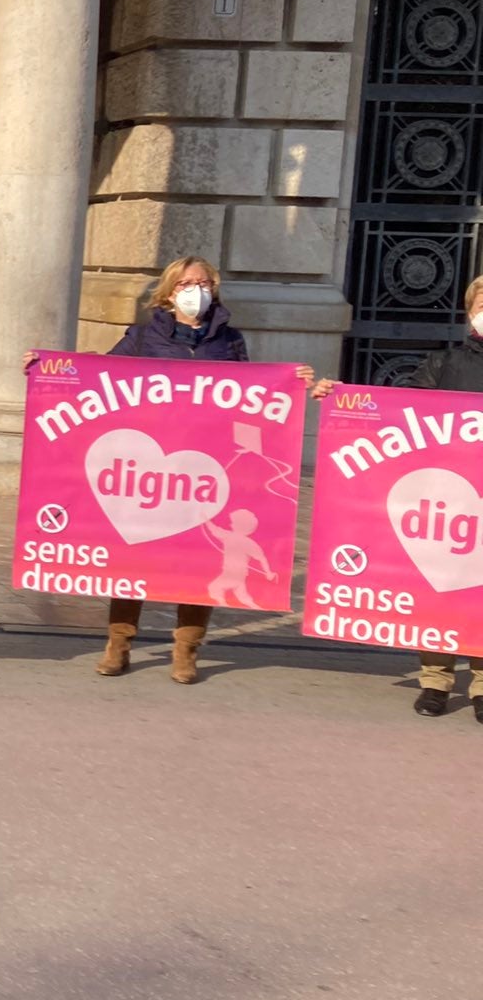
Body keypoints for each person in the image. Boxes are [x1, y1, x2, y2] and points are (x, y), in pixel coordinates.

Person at [36, 255, 325, 684]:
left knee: (201, 561)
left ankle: (186, 649)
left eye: (204, 283)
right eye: (186, 284)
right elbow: (100, 376)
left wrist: (292, 381)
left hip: (206, 467)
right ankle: (118, 644)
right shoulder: (142, 336)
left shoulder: (229, 341)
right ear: (169, 292)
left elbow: (254, 394)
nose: (196, 290)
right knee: (132, 559)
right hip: (150, 469)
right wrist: (49, 369)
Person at [407, 272, 483, 721]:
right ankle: (435, 680)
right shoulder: (444, 363)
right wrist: (340, 398)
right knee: (441, 587)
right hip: (448, 495)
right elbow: (398, 414)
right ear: (470, 312)